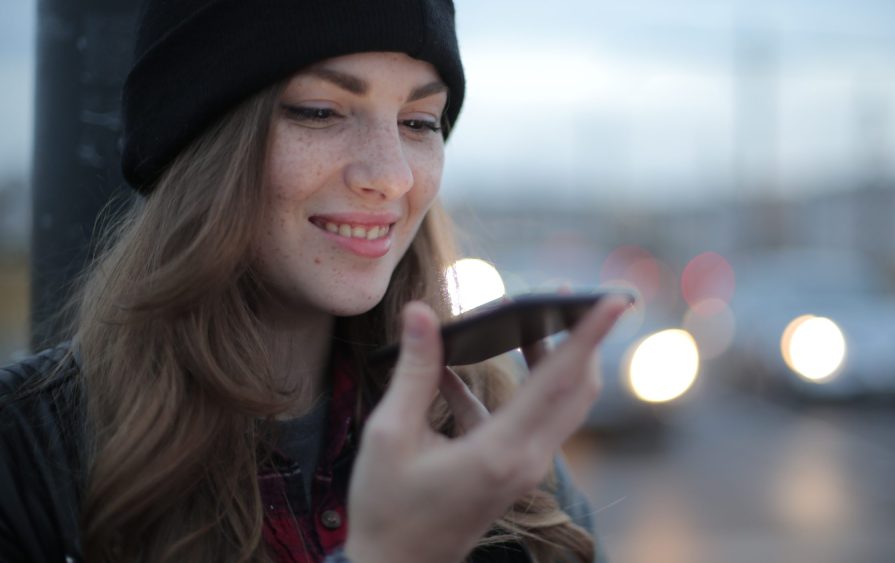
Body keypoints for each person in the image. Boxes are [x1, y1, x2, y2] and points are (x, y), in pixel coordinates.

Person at [0, 1, 629, 562]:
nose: (391, 176)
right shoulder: (23, 449)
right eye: (321, 111)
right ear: (200, 145)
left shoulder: (485, 429)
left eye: (419, 122)